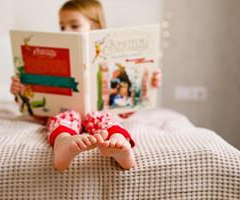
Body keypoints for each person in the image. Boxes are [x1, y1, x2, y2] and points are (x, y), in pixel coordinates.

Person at [10, 0, 162, 171]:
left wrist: (148, 84)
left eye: (74, 25)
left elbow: (125, 107)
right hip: (65, 111)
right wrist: (20, 91)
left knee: (104, 118)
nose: (66, 31)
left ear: (95, 27)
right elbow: (38, 109)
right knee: (61, 118)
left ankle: (119, 142)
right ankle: (63, 143)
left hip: (99, 111)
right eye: (62, 27)